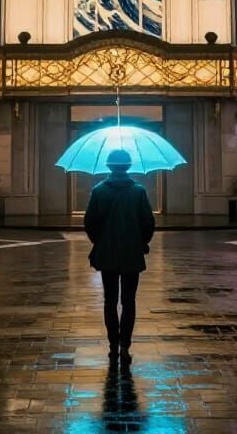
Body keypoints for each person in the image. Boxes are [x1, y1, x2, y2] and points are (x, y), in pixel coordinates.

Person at [83, 148, 155, 366]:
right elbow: (148, 223)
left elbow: (89, 223)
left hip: (107, 254)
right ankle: (125, 345)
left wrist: (100, 242)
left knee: (110, 300)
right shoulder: (139, 191)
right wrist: (142, 242)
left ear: (108, 166)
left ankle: (112, 345)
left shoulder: (98, 191)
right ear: (128, 166)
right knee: (129, 301)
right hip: (132, 253)